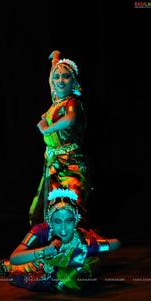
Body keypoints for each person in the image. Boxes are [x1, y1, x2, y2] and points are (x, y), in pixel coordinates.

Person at [0, 188, 120, 293]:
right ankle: (2, 267)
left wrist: (100, 246)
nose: (64, 228)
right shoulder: (41, 230)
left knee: (76, 275)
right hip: (46, 259)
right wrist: (44, 251)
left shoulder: (86, 242)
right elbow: (15, 257)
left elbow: (116, 243)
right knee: (33, 263)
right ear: (50, 221)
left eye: (69, 221)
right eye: (58, 221)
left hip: (78, 262)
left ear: (76, 220)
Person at [29, 50, 93, 227]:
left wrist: (48, 128)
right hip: (53, 162)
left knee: (72, 205)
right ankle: (53, 247)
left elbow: (70, 119)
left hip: (72, 163)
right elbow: (51, 79)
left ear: (74, 82)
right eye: (57, 77)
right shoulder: (56, 100)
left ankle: (77, 248)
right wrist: (55, 59)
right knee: (51, 207)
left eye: (66, 76)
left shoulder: (72, 102)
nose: (59, 80)